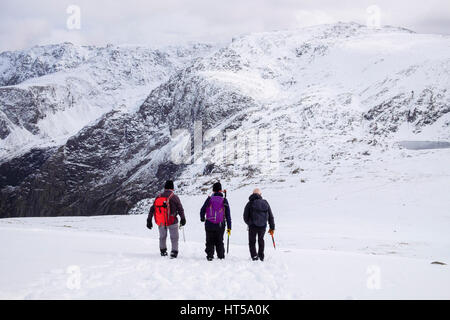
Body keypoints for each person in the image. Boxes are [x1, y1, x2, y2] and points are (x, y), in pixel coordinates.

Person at [147, 180, 186, 258]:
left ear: (164, 187)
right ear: (172, 188)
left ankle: (163, 251)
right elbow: (180, 209)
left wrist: (149, 220)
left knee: (162, 236)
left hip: (161, 221)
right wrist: (183, 218)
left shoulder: (159, 196)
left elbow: (152, 208)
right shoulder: (174, 197)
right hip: (172, 221)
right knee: (174, 237)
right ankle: (174, 252)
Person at [200, 182, 231, 261]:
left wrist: (202, 218)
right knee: (219, 240)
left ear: (213, 190)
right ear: (220, 190)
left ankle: (210, 256)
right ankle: (221, 256)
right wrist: (229, 227)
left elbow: (202, 209)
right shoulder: (224, 200)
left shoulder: (209, 199)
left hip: (209, 223)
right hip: (220, 224)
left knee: (209, 240)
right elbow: (228, 215)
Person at [243, 188, 275, 261]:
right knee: (261, 240)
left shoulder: (250, 203)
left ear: (253, 194)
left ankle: (254, 256)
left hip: (252, 226)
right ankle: (261, 256)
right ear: (260, 194)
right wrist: (272, 227)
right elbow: (270, 216)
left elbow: (245, 216)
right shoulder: (265, 202)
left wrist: (250, 223)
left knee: (252, 241)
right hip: (263, 226)